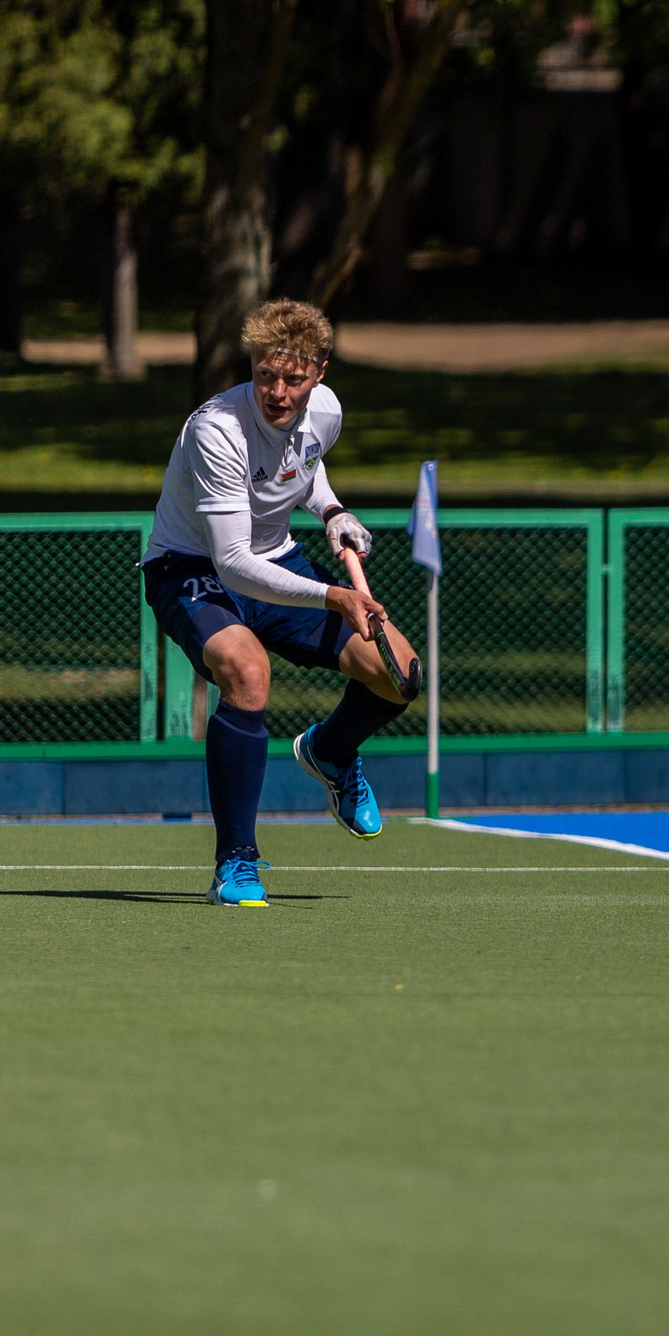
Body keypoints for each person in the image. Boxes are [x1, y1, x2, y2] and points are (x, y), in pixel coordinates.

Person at [143, 299, 421, 907]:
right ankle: (235, 863)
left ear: (319, 371)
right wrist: (335, 595)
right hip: (193, 569)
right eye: (265, 374)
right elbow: (233, 562)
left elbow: (304, 467)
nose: (276, 390)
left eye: (292, 378)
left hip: (278, 558)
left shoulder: (325, 411)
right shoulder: (216, 429)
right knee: (247, 673)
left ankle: (331, 751)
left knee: (399, 675)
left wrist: (332, 510)